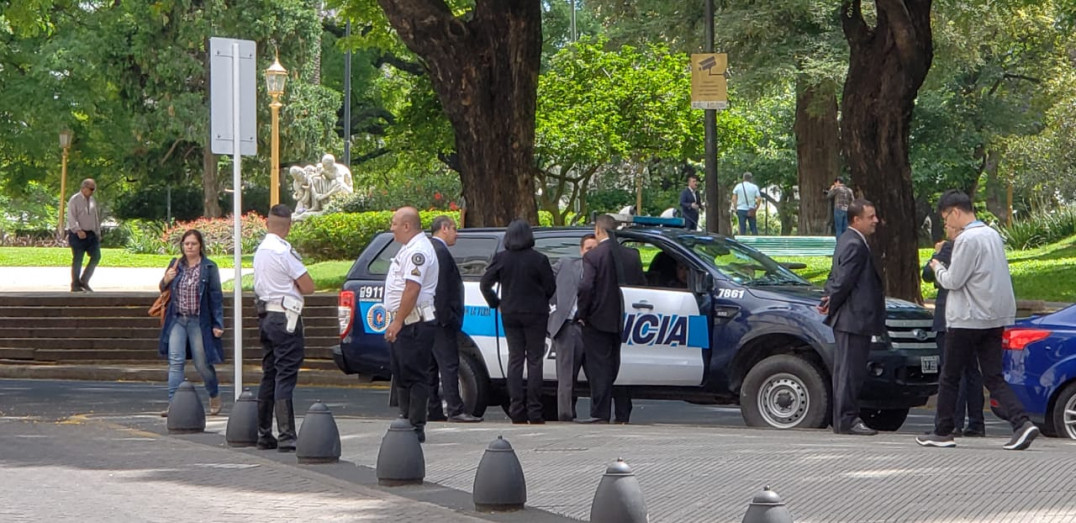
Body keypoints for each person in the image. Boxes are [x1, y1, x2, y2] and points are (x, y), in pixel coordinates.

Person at [917, 190, 1040, 450]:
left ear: (955, 212)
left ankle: (943, 431)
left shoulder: (967, 240)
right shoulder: (993, 235)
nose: (947, 226)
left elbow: (953, 281)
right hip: (994, 316)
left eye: (946, 219)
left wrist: (937, 264)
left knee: (950, 376)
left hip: (967, 318)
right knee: (993, 376)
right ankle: (1021, 422)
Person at [818, 198, 884, 436]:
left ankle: (844, 419)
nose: (875, 221)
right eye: (871, 217)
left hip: (852, 318)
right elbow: (844, 279)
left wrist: (828, 297)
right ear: (856, 219)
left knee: (849, 371)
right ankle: (847, 420)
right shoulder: (855, 243)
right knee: (849, 372)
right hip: (853, 318)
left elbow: (836, 276)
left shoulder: (849, 240)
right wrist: (831, 300)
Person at [480, 220, 556, 424]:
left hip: (510, 312)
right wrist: (541, 298)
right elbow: (550, 286)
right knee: (534, 361)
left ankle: (516, 410)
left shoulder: (501, 258)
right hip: (536, 313)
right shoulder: (539, 259)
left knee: (515, 360)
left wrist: (496, 302)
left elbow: (485, 283)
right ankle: (535, 410)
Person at [253, 204, 315, 452]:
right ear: (288, 226)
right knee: (285, 375)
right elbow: (308, 285)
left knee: (269, 373)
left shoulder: (260, 251)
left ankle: (263, 433)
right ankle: (287, 435)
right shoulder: (283, 252)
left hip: (266, 315)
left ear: (267, 223)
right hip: (286, 318)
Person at [576, 214, 645, 424]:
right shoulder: (632, 255)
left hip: (597, 319)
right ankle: (623, 413)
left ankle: (600, 413)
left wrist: (582, 313)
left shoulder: (593, 256)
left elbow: (586, 286)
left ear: (598, 231)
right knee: (618, 365)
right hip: (626, 317)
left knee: (599, 368)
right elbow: (641, 284)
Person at [382, 206, 439, 442]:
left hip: (414, 322)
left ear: (407, 226)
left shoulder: (419, 251)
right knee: (402, 372)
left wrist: (397, 321)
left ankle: (415, 426)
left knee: (415, 374)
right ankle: (405, 420)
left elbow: (412, 288)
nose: (391, 228)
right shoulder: (408, 249)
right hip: (406, 321)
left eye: (394, 223)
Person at [923, 229, 985, 437]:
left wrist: (936, 254)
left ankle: (952, 422)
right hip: (973, 316)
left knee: (951, 371)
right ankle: (976, 422)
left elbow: (927, 274)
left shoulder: (950, 247)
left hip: (949, 316)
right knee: (972, 370)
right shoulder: (979, 247)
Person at [157, 229, 224, 417]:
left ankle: (214, 394)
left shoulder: (209, 267)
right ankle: (174, 404)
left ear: (200, 246)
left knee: (202, 363)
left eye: (193, 244)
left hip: (198, 321)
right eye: (186, 244)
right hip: (178, 319)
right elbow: (163, 289)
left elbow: (215, 296)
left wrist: (218, 323)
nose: (189, 247)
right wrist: (166, 279)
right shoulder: (176, 264)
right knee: (175, 362)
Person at [426, 215, 481, 423]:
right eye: (454, 229)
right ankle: (455, 409)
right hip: (441, 320)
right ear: (444, 228)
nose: (457, 234)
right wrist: (447, 317)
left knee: (432, 365)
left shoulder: (431, 249)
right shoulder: (440, 252)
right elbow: (441, 288)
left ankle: (434, 409)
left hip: (430, 318)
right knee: (449, 364)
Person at [548, 233, 598, 421]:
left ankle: (598, 415)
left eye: (596, 249)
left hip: (592, 328)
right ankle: (566, 415)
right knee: (567, 377)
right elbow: (543, 282)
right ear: (581, 250)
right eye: (588, 249)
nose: (591, 253)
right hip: (568, 327)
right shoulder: (565, 264)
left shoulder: (603, 270)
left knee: (596, 376)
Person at [66, 178, 101, 292]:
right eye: (91, 189)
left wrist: (97, 232)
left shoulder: (92, 200)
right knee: (78, 259)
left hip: (91, 234)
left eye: (94, 189)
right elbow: (71, 217)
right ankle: (75, 284)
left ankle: (84, 280)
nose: (92, 191)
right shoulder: (74, 200)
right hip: (78, 234)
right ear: (84, 188)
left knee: (96, 256)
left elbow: (95, 217)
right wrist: (77, 230)